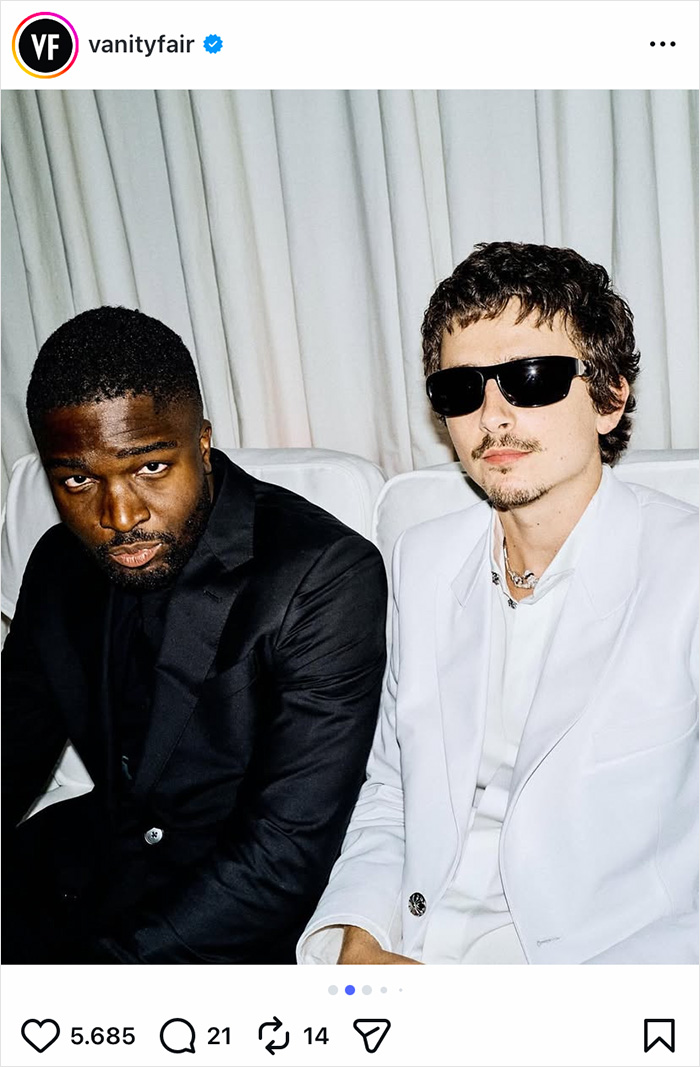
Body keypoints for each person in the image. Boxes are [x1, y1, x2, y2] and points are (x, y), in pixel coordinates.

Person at [298, 241, 698, 965]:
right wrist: (360, 935)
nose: (492, 417)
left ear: (609, 398)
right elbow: (390, 784)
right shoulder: (421, 561)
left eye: (531, 379)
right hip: (410, 950)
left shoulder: (685, 572)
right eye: (460, 389)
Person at [2, 306, 387, 964]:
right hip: (80, 881)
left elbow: (279, 860)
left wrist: (83, 981)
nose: (117, 515)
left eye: (150, 467)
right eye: (77, 480)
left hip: (220, 927)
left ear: (201, 443)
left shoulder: (321, 574)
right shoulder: (58, 562)